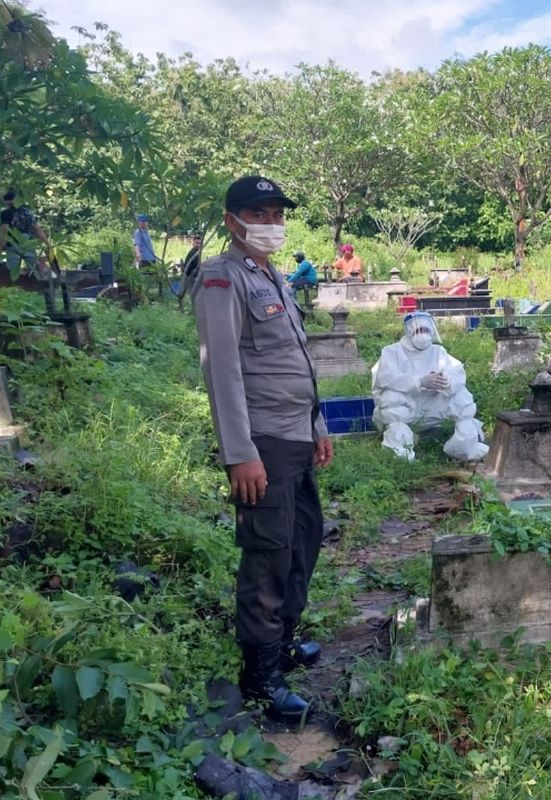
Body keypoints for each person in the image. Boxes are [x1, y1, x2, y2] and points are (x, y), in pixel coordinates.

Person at [190, 175, 333, 721]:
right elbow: (221, 371)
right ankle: (261, 676)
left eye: (277, 214)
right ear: (232, 221)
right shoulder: (222, 279)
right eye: (259, 213)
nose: (271, 224)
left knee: (302, 541)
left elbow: (295, 360)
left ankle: (285, 641)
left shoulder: (273, 276)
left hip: (296, 434)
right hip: (263, 443)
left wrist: (318, 424)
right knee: (268, 557)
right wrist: (238, 452)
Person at [370, 311, 488, 462]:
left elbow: (457, 372)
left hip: (433, 403)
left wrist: (446, 381)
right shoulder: (391, 352)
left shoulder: (438, 352)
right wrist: (419, 382)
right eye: (419, 330)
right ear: (409, 331)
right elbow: (385, 378)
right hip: (407, 405)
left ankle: (463, 448)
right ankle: (400, 453)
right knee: (391, 398)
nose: (423, 334)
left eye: (426, 330)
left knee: (461, 397)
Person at [0, 191, 52, 277]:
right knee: (34, 271)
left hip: (14, 245)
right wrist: (47, 243)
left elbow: (5, 232)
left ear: (6, 202)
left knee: (13, 271)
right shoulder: (28, 212)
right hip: (28, 244)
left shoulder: (5, 213)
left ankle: (14, 288)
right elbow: (37, 229)